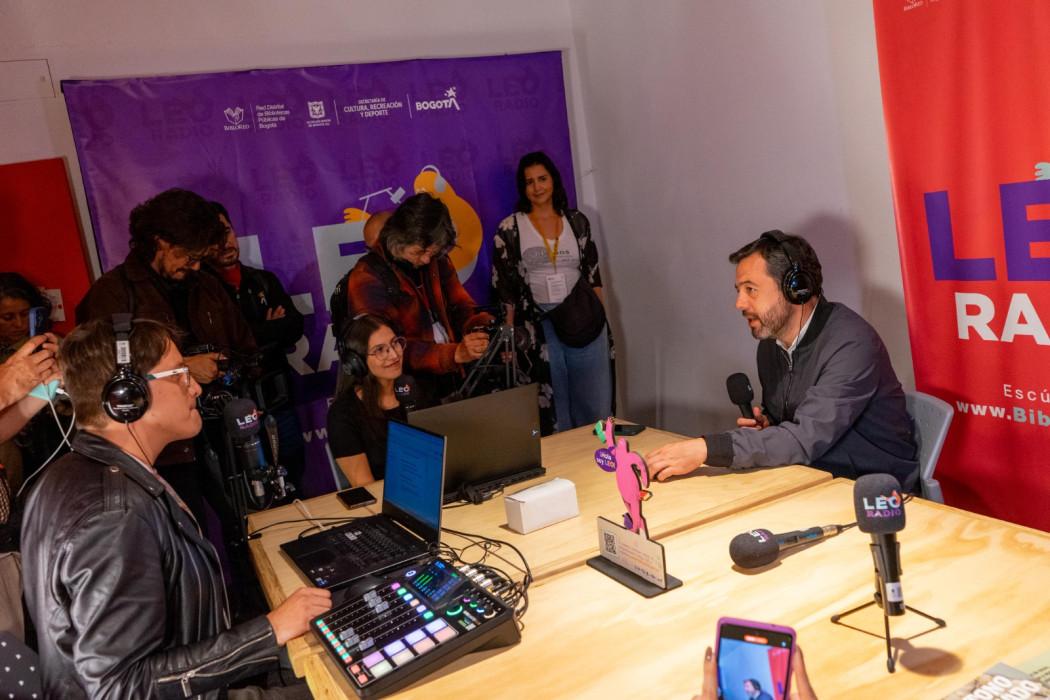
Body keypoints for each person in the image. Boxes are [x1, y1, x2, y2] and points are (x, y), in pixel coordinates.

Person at [21, 317, 331, 698]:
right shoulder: (113, 514)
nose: (196, 388)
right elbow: (119, 687)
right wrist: (270, 631)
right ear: (126, 397)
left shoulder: (75, 474)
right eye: (180, 374)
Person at [647, 231, 918, 490]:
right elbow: (793, 430)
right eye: (738, 290)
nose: (739, 303)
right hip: (811, 477)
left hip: (874, 493)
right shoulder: (770, 346)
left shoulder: (852, 343)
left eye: (751, 290)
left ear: (795, 289)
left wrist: (706, 448)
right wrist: (770, 427)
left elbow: (804, 438)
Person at [75, 188, 255, 523]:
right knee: (185, 536)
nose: (197, 265)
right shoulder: (110, 296)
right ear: (160, 242)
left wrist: (224, 365)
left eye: (201, 258)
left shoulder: (207, 285)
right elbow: (98, 383)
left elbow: (245, 346)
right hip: (162, 453)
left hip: (221, 435)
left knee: (247, 528)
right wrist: (185, 368)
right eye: (189, 257)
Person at [491, 151, 613, 434]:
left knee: (594, 400)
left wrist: (600, 323)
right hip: (539, 325)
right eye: (529, 182)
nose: (537, 187)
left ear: (554, 180)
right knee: (554, 405)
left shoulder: (577, 221)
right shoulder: (510, 228)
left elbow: (594, 276)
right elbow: (505, 288)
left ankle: (599, 459)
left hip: (583, 320)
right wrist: (508, 336)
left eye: (542, 179)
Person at [344, 193, 492, 401]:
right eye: (419, 252)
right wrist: (453, 354)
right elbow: (384, 349)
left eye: (433, 252)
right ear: (399, 238)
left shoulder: (435, 259)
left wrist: (481, 328)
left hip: (452, 379)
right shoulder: (366, 276)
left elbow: (460, 304)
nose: (425, 259)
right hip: (404, 390)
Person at [206, 201, 306, 492]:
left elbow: (294, 327)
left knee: (294, 479)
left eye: (226, 231)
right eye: (213, 238)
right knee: (253, 492)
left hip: (278, 402)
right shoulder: (205, 293)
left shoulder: (262, 279)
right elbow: (228, 345)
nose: (224, 242)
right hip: (236, 409)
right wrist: (267, 329)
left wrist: (255, 333)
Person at [328, 314, 419, 486]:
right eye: (379, 350)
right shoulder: (343, 415)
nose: (393, 355)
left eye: (395, 343)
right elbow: (366, 488)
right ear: (357, 362)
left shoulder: (416, 390)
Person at [694, 645, 817, 700]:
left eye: (747, 685)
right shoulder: (754, 698)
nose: (745, 688)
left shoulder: (765, 698)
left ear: (755, 686)